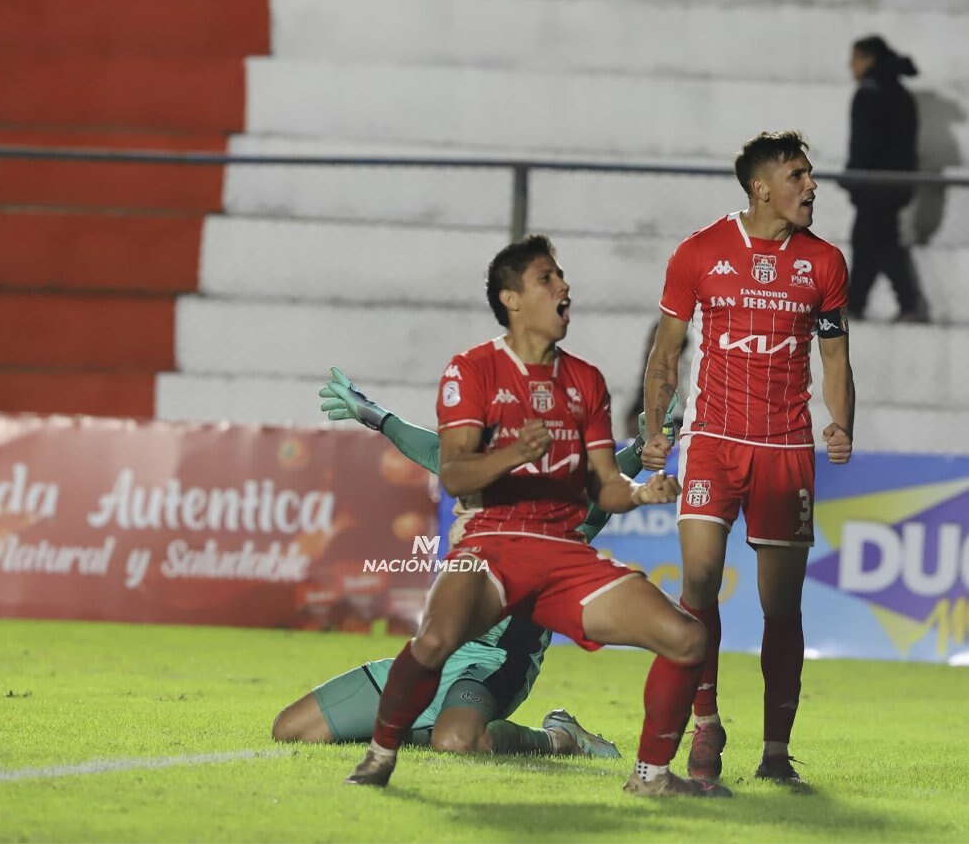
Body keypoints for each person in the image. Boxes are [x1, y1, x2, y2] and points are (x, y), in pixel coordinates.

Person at [342, 235, 731, 797]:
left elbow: (605, 484)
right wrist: (511, 454)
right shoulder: (471, 370)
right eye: (548, 278)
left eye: (562, 276)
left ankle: (650, 777)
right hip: (491, 547)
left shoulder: (585, 381)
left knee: (687, 637)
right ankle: (382, 755)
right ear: (512, 299)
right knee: (434, 640)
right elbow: (453, 472)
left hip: (563, 555)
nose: (563, 287)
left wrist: (644, 493)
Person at [273, 370, 678, 759]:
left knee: (456, 740)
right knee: (291, 729)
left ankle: (560, 738)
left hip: (496, 661)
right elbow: (430, 449)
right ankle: (422, 727)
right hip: (435, 652)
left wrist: (642, 448)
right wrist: (373, 413)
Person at [641, 131, 855, 786]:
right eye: (799, 176)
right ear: (762, 187)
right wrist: (656, 432)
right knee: (698, 581)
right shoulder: (701, 252)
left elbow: (836, 354)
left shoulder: (823, 263)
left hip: (786, 448)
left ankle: (775, 753)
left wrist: (841, 422)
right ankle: (705, 723)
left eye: (810, 176)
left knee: (780, 605)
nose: (812, 187)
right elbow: (666, 353)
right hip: (712, 442)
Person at [844, 35, 927, 322]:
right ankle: (856, 305)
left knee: (880, 245)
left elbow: (863, 144)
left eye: (854, 58)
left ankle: (905, 305)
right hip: (895, 184)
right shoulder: (900, 93)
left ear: (868, 60)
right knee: (870, 243)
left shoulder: (870, 93)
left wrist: (853, 179)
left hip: (874, 185)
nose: (850, 65)